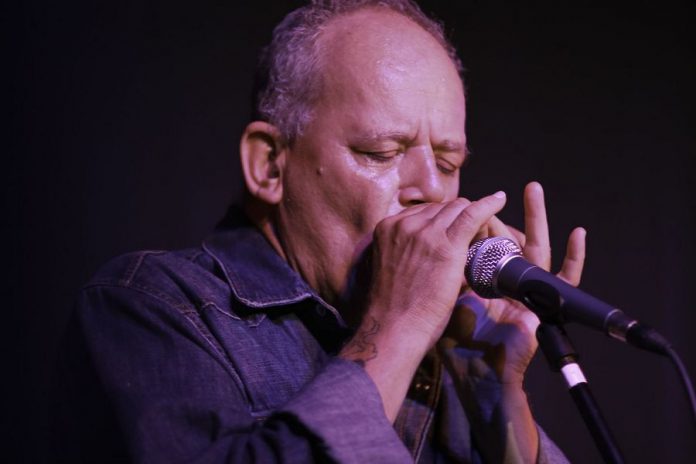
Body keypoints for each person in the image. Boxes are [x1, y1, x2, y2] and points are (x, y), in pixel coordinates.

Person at [55, 0, 586, 462]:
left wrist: (494, 396)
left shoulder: (449, 351)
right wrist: (397, 329)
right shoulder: (148, 305)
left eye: (448, 163)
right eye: (381, 152)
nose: (432, 190)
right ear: (269, 165)